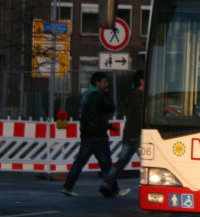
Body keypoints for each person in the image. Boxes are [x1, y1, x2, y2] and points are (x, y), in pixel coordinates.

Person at [61, 71, 117, 197]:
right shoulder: (98, 95)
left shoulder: (86, 95)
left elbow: (91, 115)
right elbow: (111, 107)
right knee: (106, 163)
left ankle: (68, 187)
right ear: (97, 83)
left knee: (80, 162)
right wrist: (107, 94)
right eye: (104, 82)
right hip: (97, 135)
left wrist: (107, 125)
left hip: (87, 133)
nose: (107, 84)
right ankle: (113, 190)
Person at [101, 70, 143, 198]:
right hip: (137, 134)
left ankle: (106, 184)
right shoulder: (140, 96)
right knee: (150, 161)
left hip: (130, 133)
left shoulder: (133, 95)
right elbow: (141, 115)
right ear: (141, 81)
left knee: (121, 162)